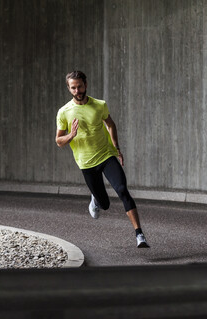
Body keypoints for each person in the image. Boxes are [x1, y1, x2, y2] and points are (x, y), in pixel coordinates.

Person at [55, 71, 149, 248]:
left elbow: (110, 124)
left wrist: (116, 148)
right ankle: (95, 198)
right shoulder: (64, 112)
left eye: (80, 86)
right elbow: (59, 141)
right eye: (73, 88)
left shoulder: (99, 105)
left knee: (122, 190)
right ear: (69, 88)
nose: (77, 90)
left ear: (86, 85)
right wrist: (71, 135)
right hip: (86, 163)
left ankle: (140, 235)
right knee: (104, 205)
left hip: (106, 155)